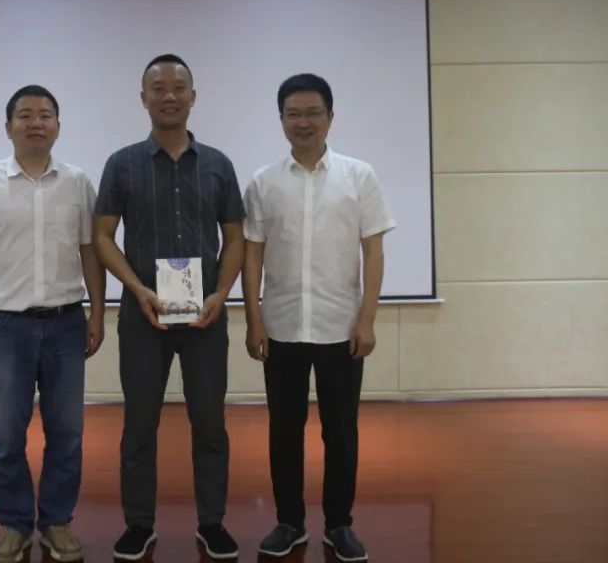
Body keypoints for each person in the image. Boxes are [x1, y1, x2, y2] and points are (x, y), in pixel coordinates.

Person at [93, 54, 245, 561]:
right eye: (158, 88)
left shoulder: (219, 165)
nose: (169, 95)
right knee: (139, 425)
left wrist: (221, 294)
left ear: (193, 97)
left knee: (210, 424)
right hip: (143, 316)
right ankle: (139, 524)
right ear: (143, 99)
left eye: (179, 87)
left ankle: (212, 523)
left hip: (206, 317)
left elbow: (235, 239)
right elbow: (102, 236)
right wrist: (137, 288)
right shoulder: (121, 164)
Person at [242, 73, 396, 562]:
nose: (303, 122)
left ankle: (339, 524)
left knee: (341, 433)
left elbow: (373, 251)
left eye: (313, 113)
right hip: (282, 327)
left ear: (330, 117)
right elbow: (252, 256)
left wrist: (367, 319)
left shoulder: (359, 176)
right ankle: (289, 522)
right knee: (284, 432)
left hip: (340, 328)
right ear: (281, 120)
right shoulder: (263, 182)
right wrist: (253, 320)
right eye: (294, 114)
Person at [0, 85, 106, 563]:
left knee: (67, 433)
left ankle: (57, 522)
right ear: (9, 128)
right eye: (25, 115)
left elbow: (90, 251)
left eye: (45, 115)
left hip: (66, 325)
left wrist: (98, 311)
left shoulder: (78, 183)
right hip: (5, 327)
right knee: (5, 435)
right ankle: (15, 524)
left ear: (58, 126)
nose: (36, 122)